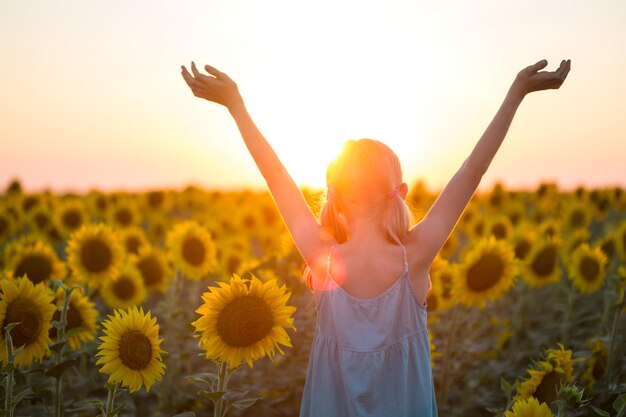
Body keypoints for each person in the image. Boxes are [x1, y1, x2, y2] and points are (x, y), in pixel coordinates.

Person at [181, 58, 571, 417]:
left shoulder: (322, 256)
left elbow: (275, 176)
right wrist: (515, 94)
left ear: (333, 194)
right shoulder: (414, 257)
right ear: (398, 191)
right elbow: (473, 169)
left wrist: (237, 108)